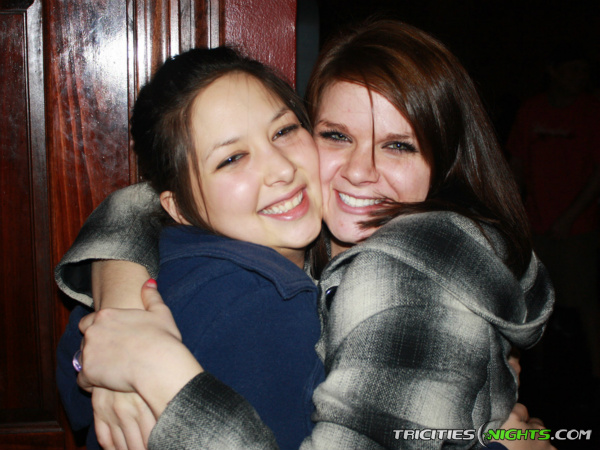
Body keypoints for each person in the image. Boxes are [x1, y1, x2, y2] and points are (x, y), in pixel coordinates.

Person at [58, 20, 555, 450]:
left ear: (444, 164)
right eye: (337, 136)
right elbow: (141, 200)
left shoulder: (396, 266)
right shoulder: (273, 272)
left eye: (399, 146)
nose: (360, 171)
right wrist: (124, 307)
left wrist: (160, 372)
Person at [56, 46, 326, 450]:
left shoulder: (159, 260)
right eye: (232, 158)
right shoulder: (267, 302)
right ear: (177, 207)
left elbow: (70, 374)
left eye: (283, 131)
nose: (283, 169)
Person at [507, 42, 600, 378]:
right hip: (535, 222)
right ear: (553, 72)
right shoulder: (531, 110)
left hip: (578, 226)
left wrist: (569, 217)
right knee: (530, 298)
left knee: (584, 299)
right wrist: (513, 210)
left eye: (584, 71)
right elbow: (517, 161)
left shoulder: (592, 111)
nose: (580, 77)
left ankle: (595, 375)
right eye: (573, 70)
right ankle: (531, 373)